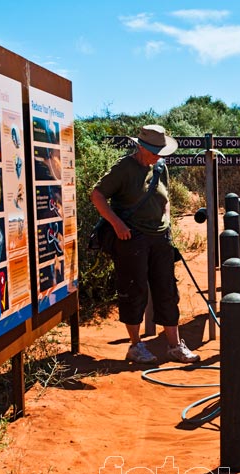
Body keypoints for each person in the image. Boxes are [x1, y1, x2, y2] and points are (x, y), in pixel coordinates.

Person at [90, 124, 199, 365]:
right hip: (132, 239)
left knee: (167, 290)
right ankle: (136, 346)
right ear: (140, 147)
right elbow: (97, 195)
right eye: (153, 151)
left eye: (161, 151)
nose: (158, 156)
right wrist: (117, 224)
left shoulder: (160, 167)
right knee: (134, 290)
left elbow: (165, 198)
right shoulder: (123, 168)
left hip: (160, 237)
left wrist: (167, 221)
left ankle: (175, 346)